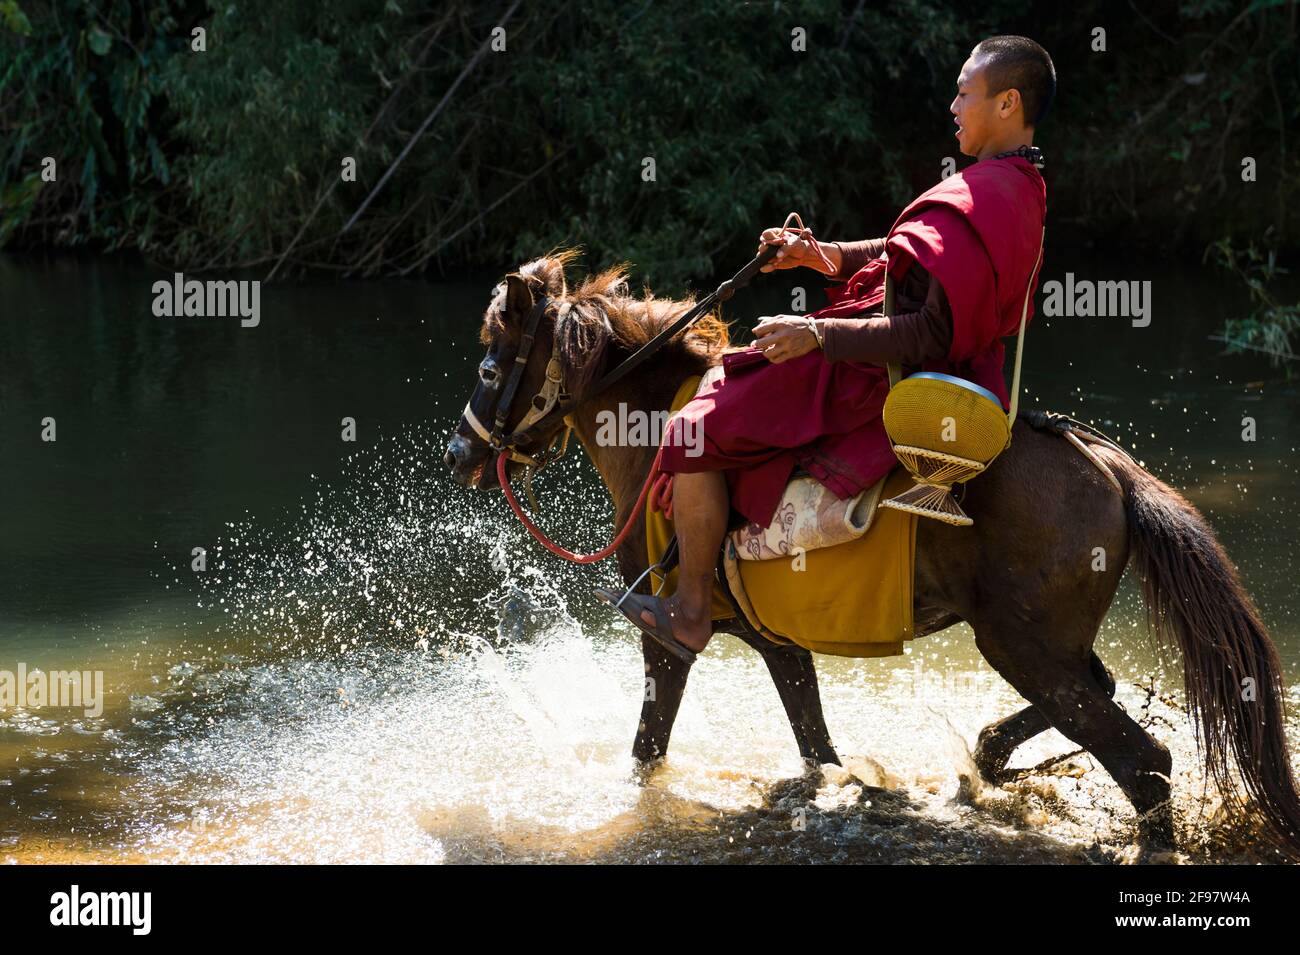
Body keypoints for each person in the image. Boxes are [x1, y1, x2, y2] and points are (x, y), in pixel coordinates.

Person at [598, 36, 1054, 664]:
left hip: (881, 370)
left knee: (693, 431)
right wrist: (826, 256)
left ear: (1007, 103)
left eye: (963, 93)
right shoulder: (1007, 183)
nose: (952, 105)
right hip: (882, 348)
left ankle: (693, 612)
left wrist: (816, 335)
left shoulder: (994, 191)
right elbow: (904, 256)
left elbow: (932, 333)